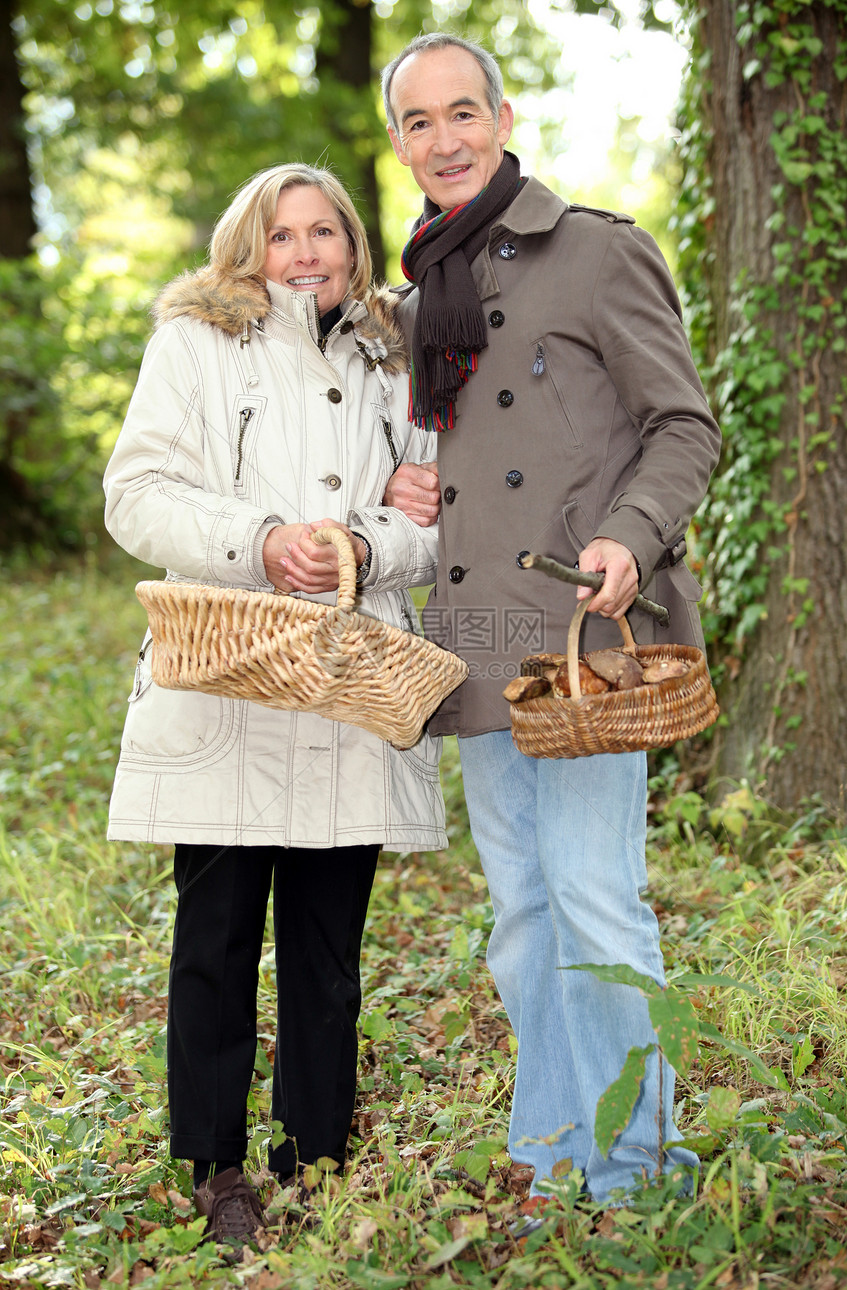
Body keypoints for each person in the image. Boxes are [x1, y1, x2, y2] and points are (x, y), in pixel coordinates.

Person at [380, 34, 722, 1208]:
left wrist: (629, 535)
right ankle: (551, 1149)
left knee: (590, 897)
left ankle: (638, 1172)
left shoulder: (593, 252)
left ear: (502, 113)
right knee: (522, 913)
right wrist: (408, 483)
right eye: (418, 123)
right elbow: (453, 453)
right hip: (474, 637)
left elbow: (683, 425)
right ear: (399, 144)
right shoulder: (423, 286)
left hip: (582, 633)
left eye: (460, 113)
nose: (444, 140)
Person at [103, 163, 446, 1250]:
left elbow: (436, 514)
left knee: (327, 942)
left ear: (352, 244)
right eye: (280, 233)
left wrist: (363, 543)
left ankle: (319, 1153)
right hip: (231, 677)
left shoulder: (397, 357)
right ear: (246, 248)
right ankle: (216, 1169)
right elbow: (137, 492)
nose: (304, 253)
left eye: (323, 233)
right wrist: (258, 540)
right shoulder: (194, 346)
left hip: (350, 679)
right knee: (213, 935)